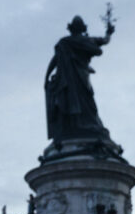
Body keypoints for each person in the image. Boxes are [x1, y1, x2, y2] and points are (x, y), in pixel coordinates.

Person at [45, 15, 115, 145]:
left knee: (81, 103)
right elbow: (103, 44)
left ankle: (81, 125)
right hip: (74, 78)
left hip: (74, 79)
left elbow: (102, 44)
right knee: (84, 103)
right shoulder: (78, 41)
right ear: (82, 29)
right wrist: (108, 33)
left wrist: (46, 77)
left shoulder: (67, 42)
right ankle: (79, 126)